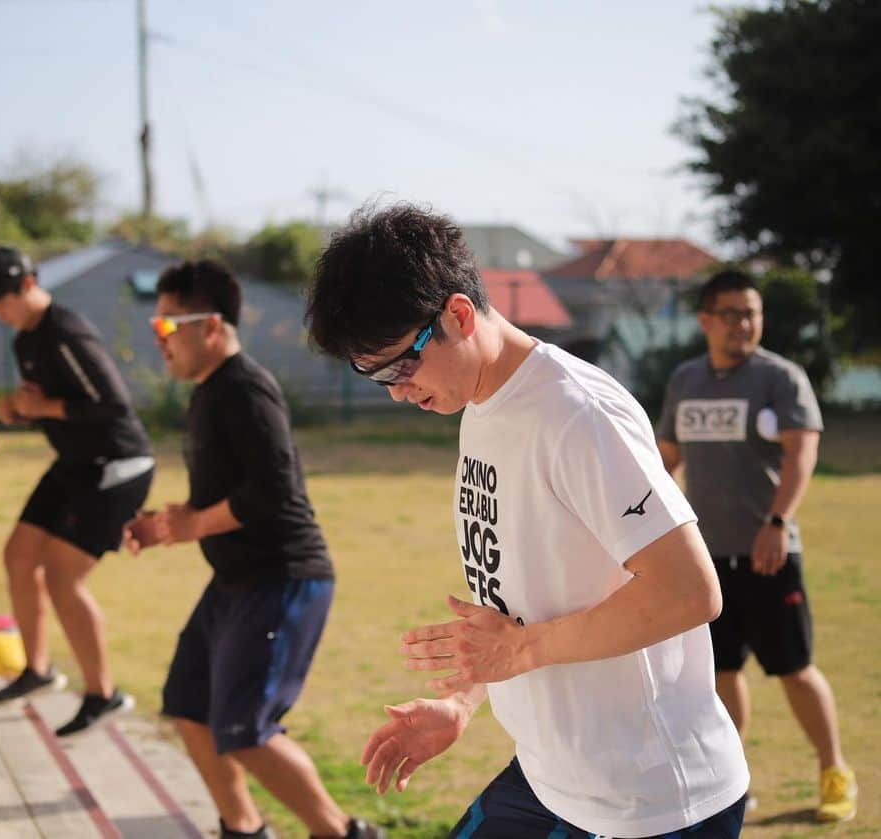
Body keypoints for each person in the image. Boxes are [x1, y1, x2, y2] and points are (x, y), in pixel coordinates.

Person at [305, 205, 750, 839]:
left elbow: (689, 591)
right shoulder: (480, 406)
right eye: (373, 376)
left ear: (458, 315)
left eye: (399, 366)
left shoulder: (578, 415)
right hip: (552, 779)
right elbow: (520, 601)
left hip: (651, 801)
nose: (397, 391)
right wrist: (463, 698)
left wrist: (518, 650)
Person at [122, 259, 383, 839]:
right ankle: (244, 830)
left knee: (246, 728)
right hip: (235, 582)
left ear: (209, 325)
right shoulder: (208, 395)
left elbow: (273, 489)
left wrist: (192, 524)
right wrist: (165, 524)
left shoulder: (245, 388)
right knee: (190, 707)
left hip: (283, 578)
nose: (158, 340)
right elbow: (218, 504)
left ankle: (343, 834)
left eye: (168, 326)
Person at [656, 269, 857, 822]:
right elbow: (663, 458)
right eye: (731, 313)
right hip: (707, 561)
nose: (743, 323)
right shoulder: (686, 380)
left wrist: (777, 522)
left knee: (794, 668)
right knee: (721, 675)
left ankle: (834, 770)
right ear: (705, 320)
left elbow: (802, 453)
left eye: (751, 313)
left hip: (770, 553)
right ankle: (732, 784)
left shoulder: (780, 378)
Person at [0, 245, 154, 736]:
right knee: (19, 556)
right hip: (74, 463)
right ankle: (37, 670)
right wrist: (18, 411)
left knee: (63, 578)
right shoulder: (24, 340)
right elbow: (47, 402)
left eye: (1, 301)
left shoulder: (65, 330)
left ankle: (103, 694)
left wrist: (40, 410)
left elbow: (110, 405)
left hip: (117, 464)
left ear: (27, 284)